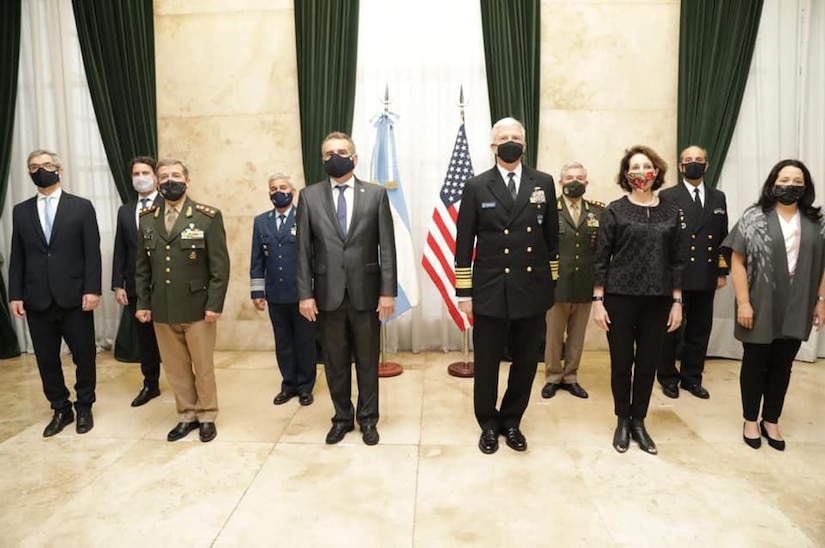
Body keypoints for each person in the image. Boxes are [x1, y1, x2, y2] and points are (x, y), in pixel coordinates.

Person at [455, 117, 559, 455]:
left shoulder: (542, 182)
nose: (510, 141)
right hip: (489, 288)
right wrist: (464, 293)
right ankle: (487, 422)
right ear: (493, 146)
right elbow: (463, 242)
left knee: (526, 361)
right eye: (504, 137)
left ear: (524, 145)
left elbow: (551, 239)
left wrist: (549, 286)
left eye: (516, 137)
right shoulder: (476, 186)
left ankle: (512, 420)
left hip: (531, 287)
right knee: (486, 361)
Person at [296, 132, 397, 446]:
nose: (334, 157)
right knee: (335, 362)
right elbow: (302, 250)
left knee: (368, 362)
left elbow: (387, 248)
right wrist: (305, 294)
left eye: (341, 151)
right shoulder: (309, 196)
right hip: (327, 295)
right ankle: (342, 418)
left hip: (367, 293)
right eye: (328, 153)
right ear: (322, 159)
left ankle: (368, 420)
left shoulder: (376, 195)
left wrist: (388, 291)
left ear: (354, 158)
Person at [721, 159, 825, 451]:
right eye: (784, 180)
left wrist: (821, 302)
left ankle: (771, 420)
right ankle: (750, 419)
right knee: (755, 363)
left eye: (797, 181)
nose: (790, 186)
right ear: (772, 183)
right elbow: (737, 259)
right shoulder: (754, 217)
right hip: (760, 302)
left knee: (782, 365)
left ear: (805, 187)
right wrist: (743, 302)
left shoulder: (817, 221)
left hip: (799, 304)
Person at [592, 145, 686, 455]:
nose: (641, 172)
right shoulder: (615, 210)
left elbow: (677, 261)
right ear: (626, 174)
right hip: (619, 299)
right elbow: (601, 258)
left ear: (656, 172)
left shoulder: (672, 212)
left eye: (647, 166)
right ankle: (622, 420)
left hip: (658, 301)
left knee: (647, 365)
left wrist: (677, 302)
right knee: (622, 364)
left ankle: (639, 422)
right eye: (635, 167)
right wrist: (597, 300)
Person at [135, 158, 230, 443]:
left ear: (187, 181)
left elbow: (219, 267)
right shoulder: (147, 217)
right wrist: (143, 303)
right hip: (162, 306)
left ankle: (207, 415)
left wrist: (214, 304)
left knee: (202, 366)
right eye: (163, 177)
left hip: (197, 306)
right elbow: (142, 267)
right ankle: (186, 415)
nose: (169, 181)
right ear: (157, 182)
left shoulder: (206, 216)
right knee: (175, 368)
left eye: (175, 175)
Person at [9, 149, 102, 437]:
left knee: (83, 355)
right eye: (34, 166)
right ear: (29, 173)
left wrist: (93, 289)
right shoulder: (21, 210)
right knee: (46, 358)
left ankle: (84, 405)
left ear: (59, 171)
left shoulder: (82, 207)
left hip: (75, 297)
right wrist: (15, 294)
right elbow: (18, 256)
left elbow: (92, 253)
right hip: (36, 298)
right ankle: (61, 408)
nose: (41, 170)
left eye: (47, 165)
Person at [658, 145, 729, 400]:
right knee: (670, 330)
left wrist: (722, 271)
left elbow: (722, 237)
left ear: (707, 166)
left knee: (700, 329)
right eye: (688, 160)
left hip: (706, 274)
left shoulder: (718, 197)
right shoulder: (667, 196)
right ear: (680, 166)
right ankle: (667, 377)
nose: (694, 164)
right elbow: (662, 239)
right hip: (676, 274)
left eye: (699, 160)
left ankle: (692, 378)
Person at [251, 173, 317, 406]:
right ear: (269, 193)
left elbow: (315, 257)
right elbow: (257, 260)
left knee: (305, 342)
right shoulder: (261, 221)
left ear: (293, 191)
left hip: (302, 295)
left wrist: (312, 292)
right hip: (276, 294)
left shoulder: (306, 217)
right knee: (283, 342)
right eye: (273, 188)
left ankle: (306, 386)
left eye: (283, 187)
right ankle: (289, 384)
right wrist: (258, 292)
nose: (278, 191)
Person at [542, 162, 602, 400]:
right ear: (560, 182)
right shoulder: (549, 209)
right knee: (554, 335)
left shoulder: (598, 212)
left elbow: (601, 250)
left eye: (579, 177)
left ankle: (571, 377)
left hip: (585, 283)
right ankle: (553, 377)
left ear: (586, 182)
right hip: (556, 283)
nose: (574, 181)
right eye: (569, 177)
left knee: (577, 335)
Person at [112, 156, 163, 407]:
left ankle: (187, 383)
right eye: (136, 173)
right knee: (145, 339)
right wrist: (118, 284)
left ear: (155, 177)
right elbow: (120, 249)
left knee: (175, 337)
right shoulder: (125, 210)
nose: (140, 177)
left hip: (167, 284)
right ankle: (150, 384)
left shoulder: (169, 204)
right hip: (136, 286)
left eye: (145, 172)